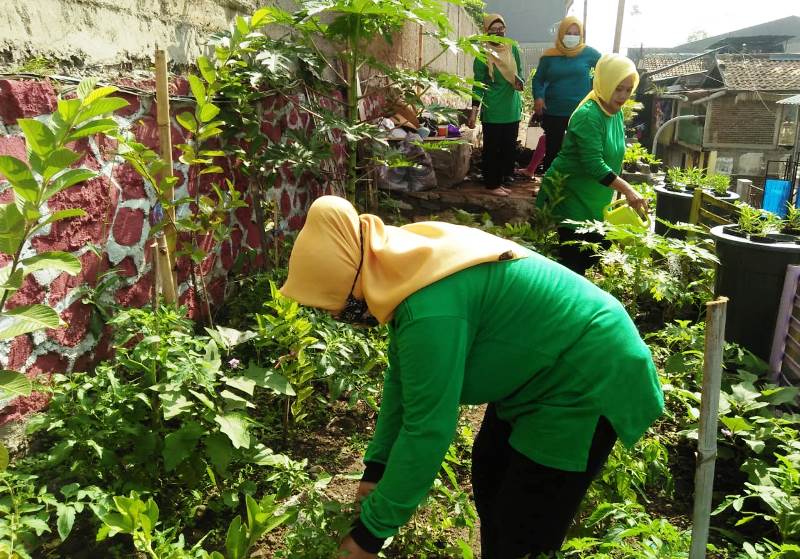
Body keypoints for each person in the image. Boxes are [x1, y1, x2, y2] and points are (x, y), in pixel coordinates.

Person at [280, 195, 665, 559]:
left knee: (524, 519)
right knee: (490, 473)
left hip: (583, 375)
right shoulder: (400, 263)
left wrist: (367, 536)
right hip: (536, 373)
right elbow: (403, 381)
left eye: (337, 306)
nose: (337, 318)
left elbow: (427, 428)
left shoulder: (429, 308)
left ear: (353, 281)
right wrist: (377, 469)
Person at [536, 53, 648, 276]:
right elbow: (593, 164)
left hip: (596, 197)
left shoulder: (613, 111)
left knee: (595, 254)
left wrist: (619, 192)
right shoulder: (590, 115)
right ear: (605, 82)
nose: (623, 95)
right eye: (618, 88)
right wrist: (628, 190)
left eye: (628, 89)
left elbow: (613, 156)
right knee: (573, 266)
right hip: (572, 195)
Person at [532, 16, 601, 172]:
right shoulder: (550, 56)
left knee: (577, 152)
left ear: (581, 35)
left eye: (576, 33)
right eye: (568, 32)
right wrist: (539, 97)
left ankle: (572, 190)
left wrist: (595, 87)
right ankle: (550, 189)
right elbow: (538, 79)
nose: (572, 36)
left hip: (580, 112)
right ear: (561, 33)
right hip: (554, 111)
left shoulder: (588, 52)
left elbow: (606, 67)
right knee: (552, 152)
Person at [468, 13, 524, 197]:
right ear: (486, 32)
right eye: (493, 30)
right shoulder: (482, 54)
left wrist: (519, 82)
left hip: (512, 108)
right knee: (492, 149)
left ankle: (501, 180)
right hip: (493, 109)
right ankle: (492, 185)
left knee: (508, 149)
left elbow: (520, 73)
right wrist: (474, 111)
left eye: (501, 29)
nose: (498, 33)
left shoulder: (512, 48)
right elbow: (478, 84)